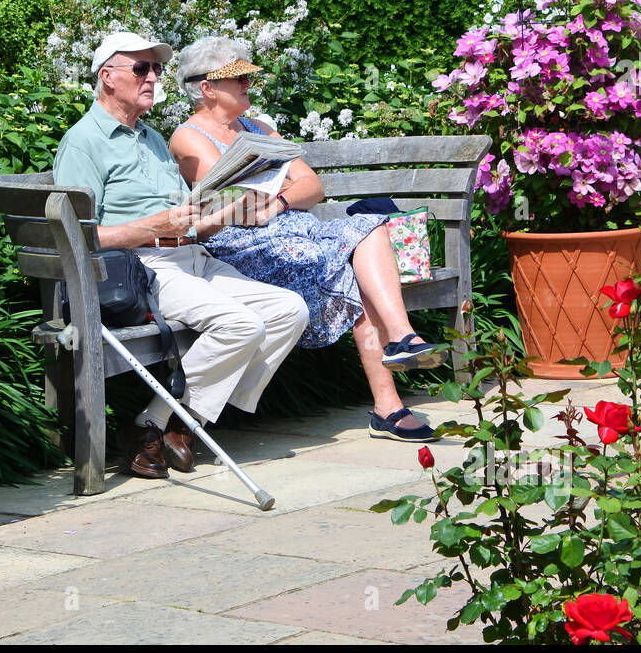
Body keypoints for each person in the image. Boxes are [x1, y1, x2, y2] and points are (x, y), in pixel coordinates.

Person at [53, 31, 310, 479]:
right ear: (107, 76)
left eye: (155, 69)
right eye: (141, 68)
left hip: (192, 256)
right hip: (142, 267)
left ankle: (174, 421)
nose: (153, 77)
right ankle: (161, 426)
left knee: (290, 309)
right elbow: (76, 234)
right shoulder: (83, 143)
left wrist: (227, 213)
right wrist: (147, 228)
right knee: (240, 324)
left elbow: (184, 215)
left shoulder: (151, 138)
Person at [168, 36, 443, 443]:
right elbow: (231, 197)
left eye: (247, 76)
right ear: (207, 88)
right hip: (241, 248)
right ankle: (388, 408)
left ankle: (402, 339)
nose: (248, 84)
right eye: (237, 78)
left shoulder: (257, 128)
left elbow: (312, 187)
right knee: (351, 263)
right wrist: (275, 191)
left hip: (293, 231)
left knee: (368, 229)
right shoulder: (187, 137)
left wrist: (278, 203)